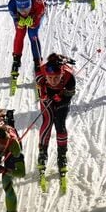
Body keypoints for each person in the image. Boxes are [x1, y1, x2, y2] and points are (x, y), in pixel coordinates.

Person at [34, 53, 76, 182]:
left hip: (62, 97)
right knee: (47, 122)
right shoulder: (40, 75)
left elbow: (69, 95)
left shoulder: (69, 76)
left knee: (60, 124)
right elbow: (40, 93)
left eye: (56, 78)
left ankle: (62, 155)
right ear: (46, 75)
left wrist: (62, 98)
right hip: (48, 96)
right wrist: (44, 96)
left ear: (61, 74)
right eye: (50, 78)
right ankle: (42, 152)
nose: (53, 81)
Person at [7, 0, 46, 89]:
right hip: (21, 18)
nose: (24, 12)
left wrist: (33, 22)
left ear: (30, 4)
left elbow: (39, 16)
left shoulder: (39, 3)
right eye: (21, 9)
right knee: (20, 33)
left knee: (33, 34)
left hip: (35, 14)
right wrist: (18, 20)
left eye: (26, 9)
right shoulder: (12, 4)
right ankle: (16, 59)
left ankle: (37, 62)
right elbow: (15, 16)